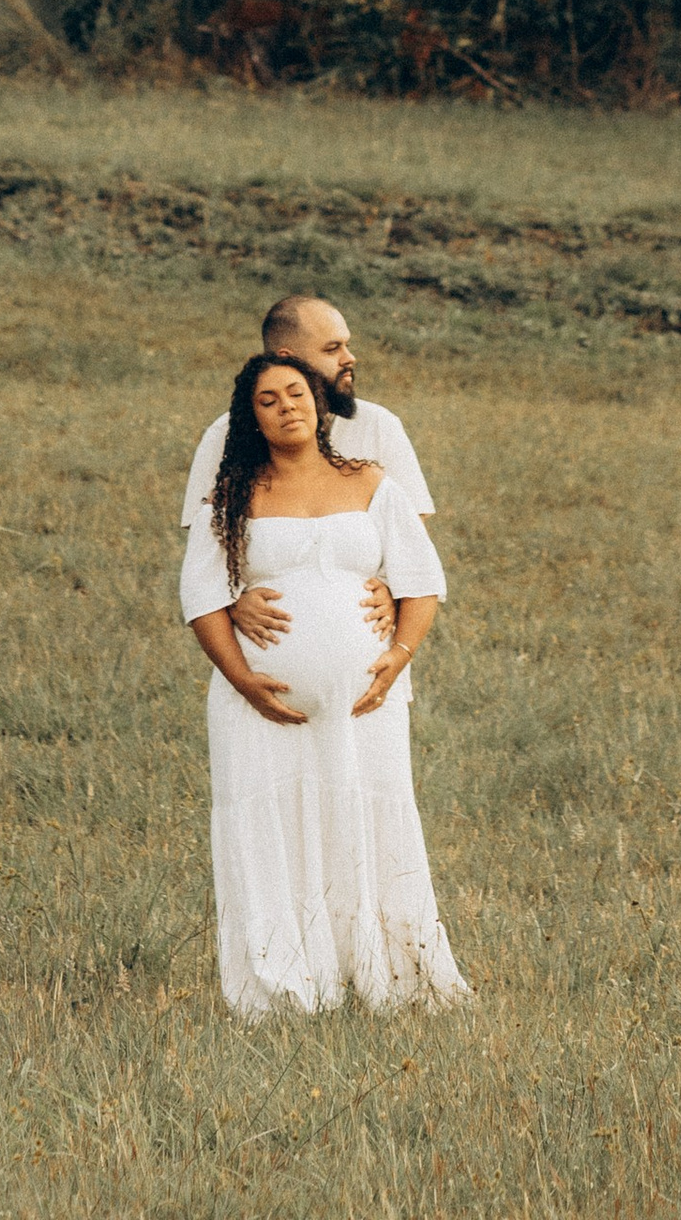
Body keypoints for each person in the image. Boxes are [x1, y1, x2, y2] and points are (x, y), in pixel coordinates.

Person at [179, 349, 468, 1018]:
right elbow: (201, 596)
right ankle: (285, 985)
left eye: (296, 394)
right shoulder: (232, 495)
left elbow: (422, 580)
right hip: (260, 708)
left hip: (366, 703)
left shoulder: (369, 481)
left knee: (368, 819)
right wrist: (243, 679)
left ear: (318, 403)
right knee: (271, 826)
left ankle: (387, 974)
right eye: (268, 401)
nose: (286, 408)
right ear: (250, 420)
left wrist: (398, 655)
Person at [180, 294, 432, 658]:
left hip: (369, 655)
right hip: (259, 659)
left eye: (347, 345)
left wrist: (389, 589)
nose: (349, 358)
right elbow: (206, 548)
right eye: (332, 349)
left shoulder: (379, 426)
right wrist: (234, 602)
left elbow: (412, 534)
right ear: (288, 358)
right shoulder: (227, 435)